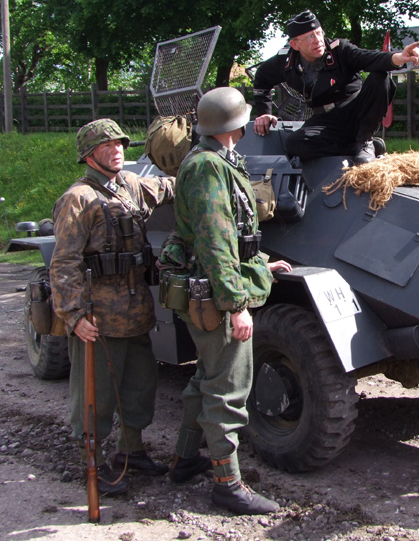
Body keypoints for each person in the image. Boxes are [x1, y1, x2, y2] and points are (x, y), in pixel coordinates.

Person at [165, 87, 291, 515]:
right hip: (215, 297)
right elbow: (215, 241)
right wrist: (236, 304)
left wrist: (260, 265)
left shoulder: (217, 161)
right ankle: (227, 485)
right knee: (228, 389)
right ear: (236, 124)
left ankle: (185, 460)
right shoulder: (205, 168)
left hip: (216, 286)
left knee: (206, 378)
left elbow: (233, 234)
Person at [50, 118, 175, 497]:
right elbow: (64, 262)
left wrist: (197, 162)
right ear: (89, 156)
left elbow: (168, 187)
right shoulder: (79, 199)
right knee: (97, 396)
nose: (117, 149)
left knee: (139, 388)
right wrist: (74, 315)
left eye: (120, 143)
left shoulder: (131, 186)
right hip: (98, 321)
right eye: (107, 146)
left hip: (137, 313)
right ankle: (94, 461)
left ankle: (131, 451)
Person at [252, 9, 419, 164]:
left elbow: (369, 58)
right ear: (295, 44)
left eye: (319, 33)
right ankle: (355, 149)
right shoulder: (285, 62)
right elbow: (261, 78)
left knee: (381, 76)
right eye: (310, 36)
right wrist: (264, 112)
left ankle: (365, 141)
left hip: (356, 111)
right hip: (327, 120)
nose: (318, 40)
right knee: (294, 144)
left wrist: (399, 58)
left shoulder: (339, 49)